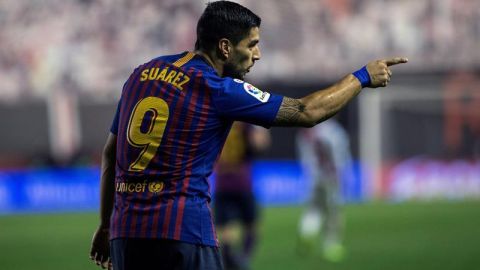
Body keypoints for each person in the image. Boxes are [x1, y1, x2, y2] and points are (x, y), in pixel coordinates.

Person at [89, 1, 408, 269]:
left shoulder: (140, 74)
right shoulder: (218, 89)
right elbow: (305, 111)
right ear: (225, 47)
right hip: (182, 233)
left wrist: (105, 225)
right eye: (252, 45)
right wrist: (362, 77)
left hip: (125, 234)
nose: (257, 55)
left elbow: (109, 153)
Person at [213, 122, 270, 270]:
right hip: (242, 181)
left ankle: (229, 260)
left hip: (222, 181)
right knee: (251, 224)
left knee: (225, 229)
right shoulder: (245, 122)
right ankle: (243, 259)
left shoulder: (219, 120)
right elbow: (259, 143)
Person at [296, 117, 352, 262]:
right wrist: (342, 175)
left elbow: (304, 154)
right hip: (331, 177)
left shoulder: (308, 130)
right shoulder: (334, 131)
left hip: (314, 176)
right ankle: (331, 247)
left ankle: (307, 232)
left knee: (314, 208)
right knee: (334, 213)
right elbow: (340, 156)